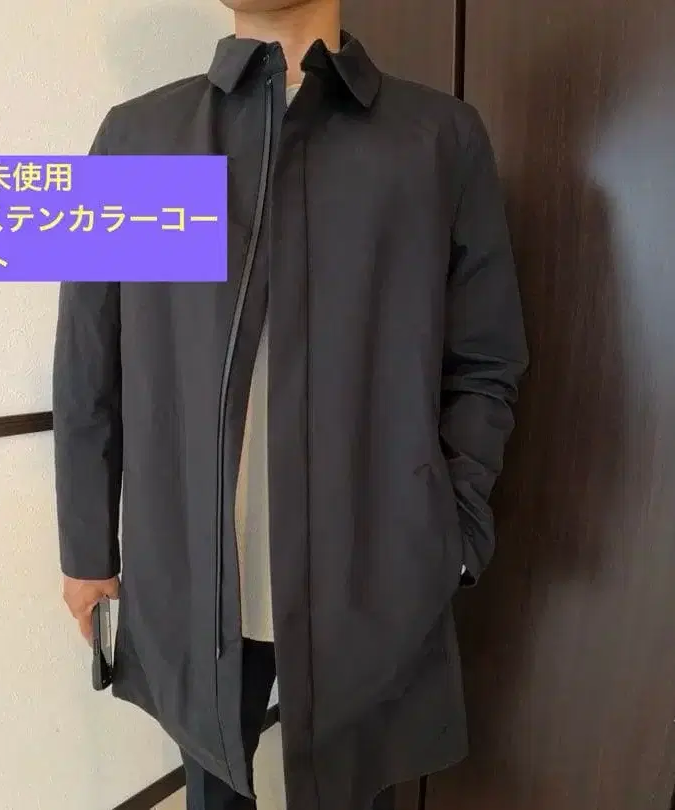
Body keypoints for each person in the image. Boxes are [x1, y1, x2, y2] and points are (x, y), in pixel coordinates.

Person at [53, 0, 529, 807]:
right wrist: (87, 547)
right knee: (213, 790)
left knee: (355, 790)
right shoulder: (141, 139)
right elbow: (89, 362)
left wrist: (454, 534)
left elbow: (485, 358)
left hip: (375, 574)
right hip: (194, 575)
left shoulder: (434, 139)